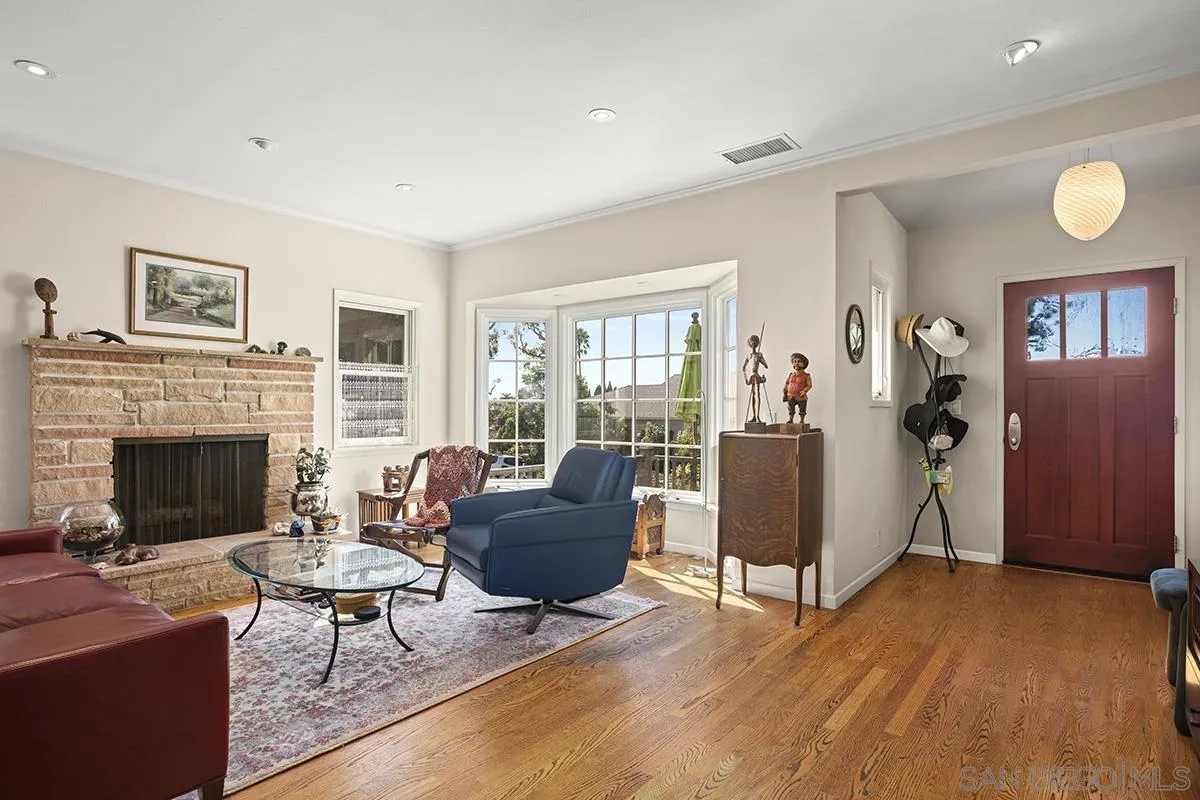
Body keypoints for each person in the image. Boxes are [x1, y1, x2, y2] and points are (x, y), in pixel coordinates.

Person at [742, 334, 768, 423]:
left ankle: (757, 416)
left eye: (755, 342)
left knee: (758, 396)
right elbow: (743, 368)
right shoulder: (748, 355)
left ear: (757, 343)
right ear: (749, 343)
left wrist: (761, 361)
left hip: (757, 375)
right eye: (752, 342)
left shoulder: (759, 354)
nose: (753, 344)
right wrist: (746, 378)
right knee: (753, 396)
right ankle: (754, 416)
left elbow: (766, 365)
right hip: (751, 376)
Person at [783, 352, 812, 424]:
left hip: (801, 396)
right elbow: (787, 382)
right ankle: (791, 419)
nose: (796, 363)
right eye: (794, 361)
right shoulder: (791, 375)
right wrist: (785, 389)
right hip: (790, 395)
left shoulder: (806, 375)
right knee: (790, 408)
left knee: (802, 409)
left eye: (799, 361)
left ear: (803, 364)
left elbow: (809, 385)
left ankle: (802, 420)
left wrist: (805, 391)